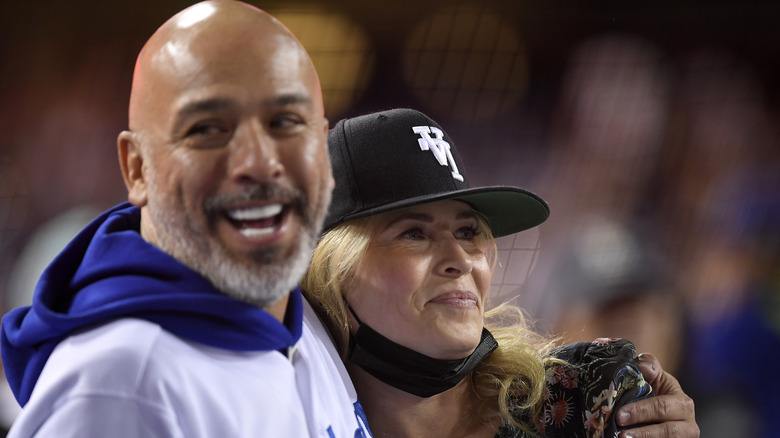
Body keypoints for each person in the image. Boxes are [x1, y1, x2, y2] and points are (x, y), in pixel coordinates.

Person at [0, 1, 370, 436]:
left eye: (286, 121)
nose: (259, 161)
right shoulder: (122, 387)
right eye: (207, 129)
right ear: (137, 169)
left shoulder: (306, 320)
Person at [301, 108, 698, 437]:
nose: (460, 258)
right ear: (335, 271)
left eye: (467, 232)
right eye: (414, 233)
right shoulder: (285, 413)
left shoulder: (587, 399)